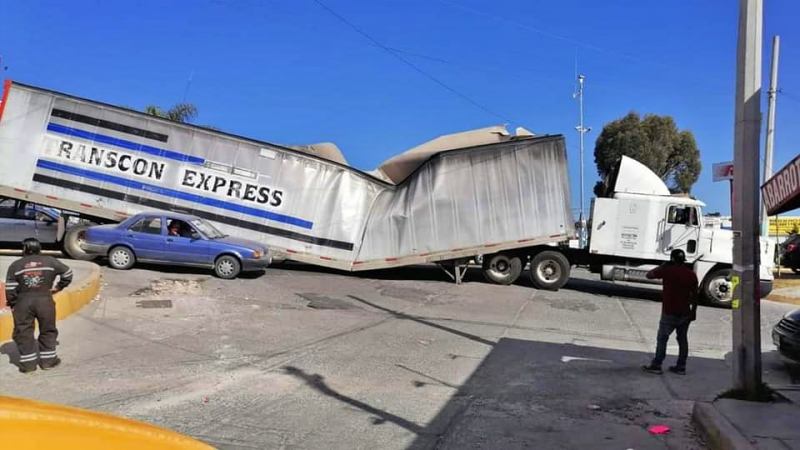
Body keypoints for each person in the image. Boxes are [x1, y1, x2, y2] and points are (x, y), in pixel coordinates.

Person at [4, 238, 72, 373]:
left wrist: (13, 303)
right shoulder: (50, 261)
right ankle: (48, 362)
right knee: (48, 329)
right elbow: (68, 273)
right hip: (45, 301)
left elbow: (10, 288)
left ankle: (28, 366)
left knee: (24, 331)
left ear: (24, 249)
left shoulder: (15, 265)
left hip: (23, 302)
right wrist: (59, 287)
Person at [641, 249, 699, 375]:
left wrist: (662, 265)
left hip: (669, 311)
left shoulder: (667, 270)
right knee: (682, 339)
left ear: (672, 259)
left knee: (662, 338)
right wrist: (693, 311)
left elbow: (649, 275)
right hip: (685, 312)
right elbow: (695, 295)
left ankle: (657, 365)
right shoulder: (691, 274)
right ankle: (681, 366)